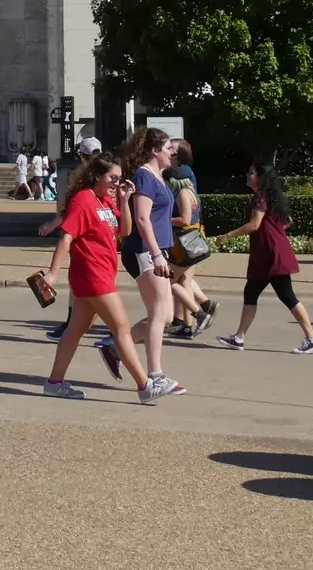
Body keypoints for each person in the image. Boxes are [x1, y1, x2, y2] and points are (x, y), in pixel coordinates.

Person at [35, 153, 168, 403]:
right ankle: (144, 385)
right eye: (113, 178)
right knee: (121, 328)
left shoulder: (106, 200)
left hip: (102, 273)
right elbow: (66, 237)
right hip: (92, 273)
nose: (117, 183)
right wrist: (53, 273)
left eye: (120, 179)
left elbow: (125, 231)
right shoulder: (83, 200)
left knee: (75, 329)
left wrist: (125, 199)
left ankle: (54, 382)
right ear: (97, 175)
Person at [215, 159, 313, 354]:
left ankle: (312, 337)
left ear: (261, 178)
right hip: (269, 253)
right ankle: (239, 337)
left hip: (270, 254)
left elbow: (254, 224)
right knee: (251, 292)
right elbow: (288, 221)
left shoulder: (261, 198)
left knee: (287, 295)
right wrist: (274, 231)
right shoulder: (271, 197)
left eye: (251, 173)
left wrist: (227, 235)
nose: (248, 176)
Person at [115, 129, 185, 397]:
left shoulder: (158, 176)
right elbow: (142, 219)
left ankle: (116, 346)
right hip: (144, 251)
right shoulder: (144, 175)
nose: (173, 152)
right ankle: (155, 376)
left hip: (156, 250)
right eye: (169, 148)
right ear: (155, 150)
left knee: (166, 317)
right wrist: (156, 254)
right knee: (158, 314)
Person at [166, 171, 215, 338]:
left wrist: (164, 218)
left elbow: (185, 220)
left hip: (183, 244)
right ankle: (187, 326)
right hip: (192, 242)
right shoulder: (192, 191)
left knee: (167, 282)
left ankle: (199, 314)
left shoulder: (182, 193)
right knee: (184, 282)